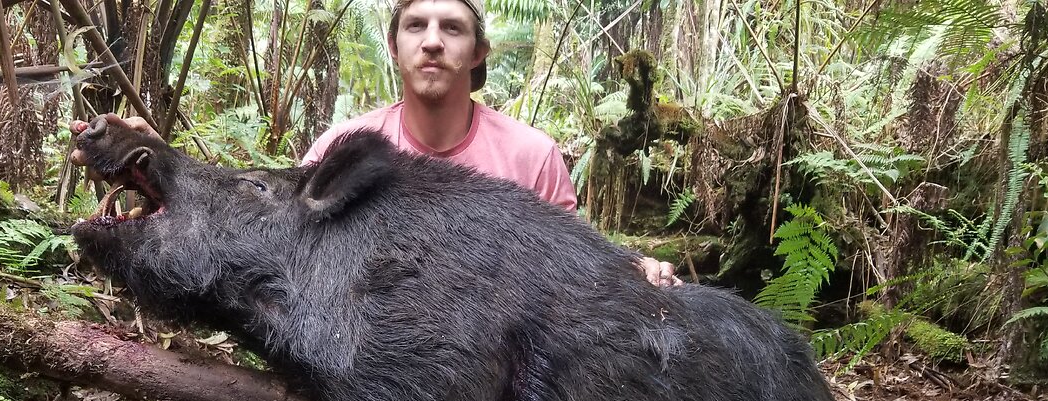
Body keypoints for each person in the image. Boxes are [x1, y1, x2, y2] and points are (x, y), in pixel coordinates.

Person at [69, 0, 680, 286]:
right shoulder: (350, 142)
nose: (433, 41)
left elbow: (573, 267)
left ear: (479, 52)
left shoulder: (531, 155)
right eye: (416, 26)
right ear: (395, 47)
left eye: (453, 28)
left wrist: (639, 270)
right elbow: (266, 217)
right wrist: (162, 162)